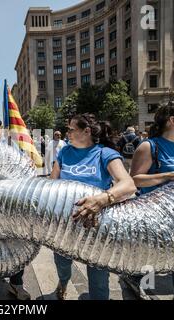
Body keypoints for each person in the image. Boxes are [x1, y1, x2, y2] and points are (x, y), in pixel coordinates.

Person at [49, 114, 136, 300]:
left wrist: (102, 199)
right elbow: (51, 184)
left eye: (71, 129)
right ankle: (63, 283)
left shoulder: (105, 153)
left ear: (86, 131)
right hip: (64, 225)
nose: (67, 133)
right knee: (62, 264)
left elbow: (128, 185)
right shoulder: (64, 153)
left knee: (98, 280)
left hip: (96, 225)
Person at [130, 101, 174, 300]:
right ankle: (142, 288)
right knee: (149, 264)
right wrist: (169, 175)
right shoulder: (149, 146)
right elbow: (133, 180)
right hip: (155, 220)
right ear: (173, 120)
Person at [0, 114, 31, 300]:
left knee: (15, 243)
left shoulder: (11, 145)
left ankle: (16, 284)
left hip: (9, 202)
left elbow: (25, 164)